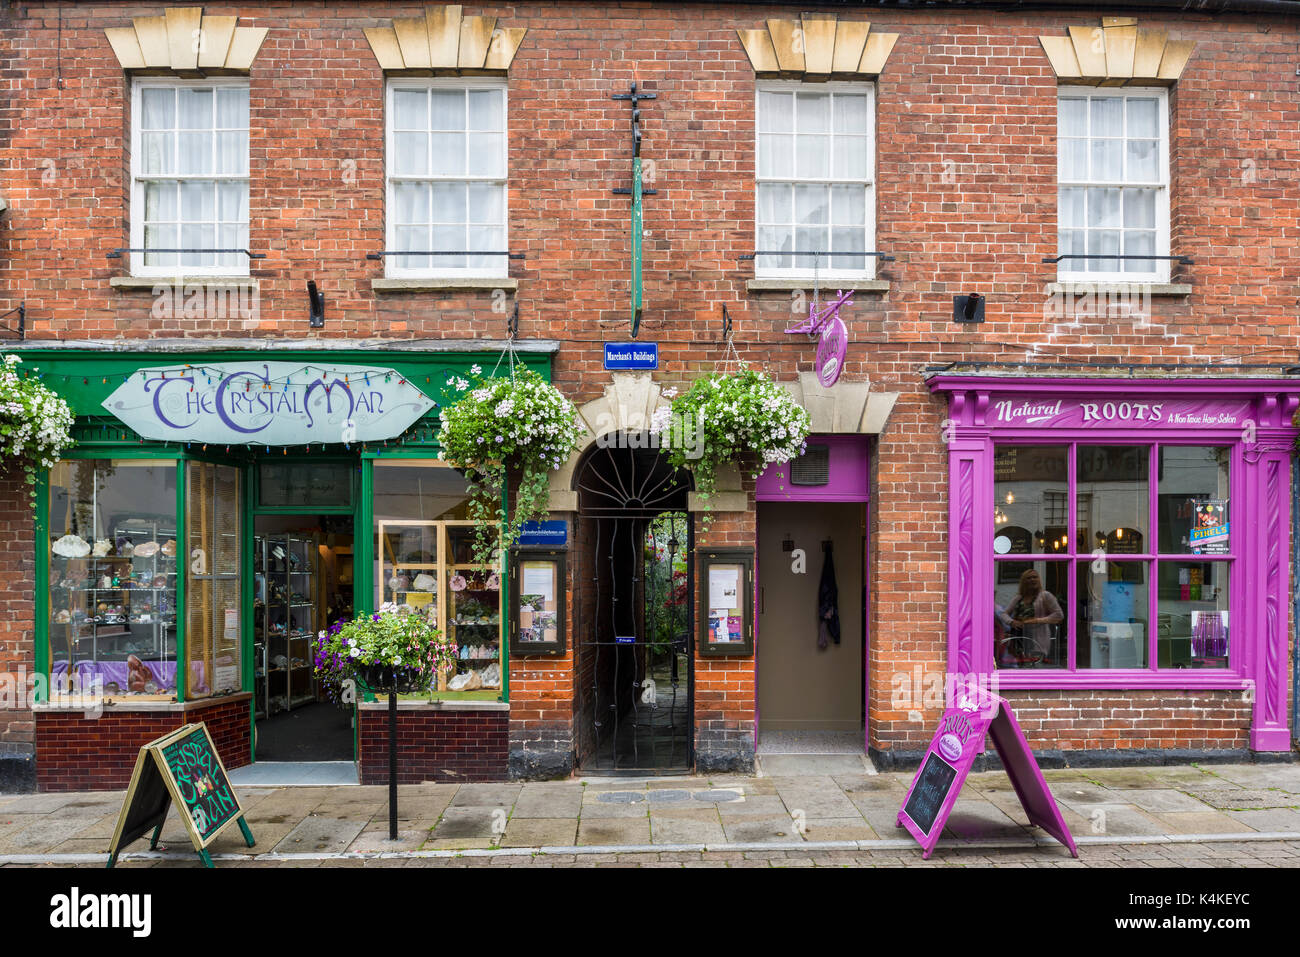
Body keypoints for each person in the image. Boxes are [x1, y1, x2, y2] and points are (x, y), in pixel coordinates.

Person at [1001, 569, 1063, 664]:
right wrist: (1012, 622)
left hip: (1037, 639)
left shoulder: (1045, 596)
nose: (1032, 580)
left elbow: (1059, 615)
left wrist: (1037, 620)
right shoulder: (1019, 597)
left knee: (1036, 666)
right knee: (1020, 665)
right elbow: (1004, 614)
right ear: (1023, 581)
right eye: (1029, 578)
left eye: (1035, 577)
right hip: (1018, 638)